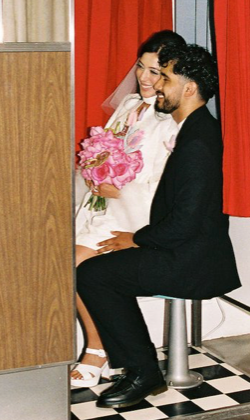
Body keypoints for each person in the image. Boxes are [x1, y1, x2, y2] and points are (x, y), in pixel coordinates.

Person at [77, 42, 241, 408]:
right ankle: (140, 369)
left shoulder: (198, 139)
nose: (157, 85)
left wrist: (136, 239)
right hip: (179, 248)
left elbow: (187, 220)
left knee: (93, 275)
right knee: (92, 272)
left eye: (165, 78)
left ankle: (143, 372)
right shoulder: (192, 129)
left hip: (191, 260)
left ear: (189, 88)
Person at [71, 30, 186, 388]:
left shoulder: (172, 120)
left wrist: (119, 187)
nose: (145, 78)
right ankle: (101, 348)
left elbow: (163, 181)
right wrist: (95, 172)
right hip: (106, 209)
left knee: (82, 266)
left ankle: (98, 351)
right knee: (69, 265)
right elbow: (104, 151)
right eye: (140, 67)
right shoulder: (128, 105)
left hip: (139, 216)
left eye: (156, 72)